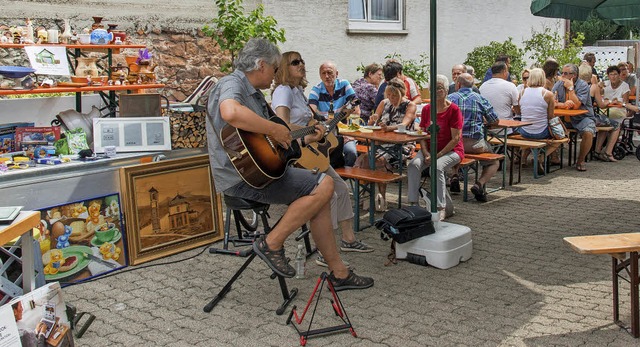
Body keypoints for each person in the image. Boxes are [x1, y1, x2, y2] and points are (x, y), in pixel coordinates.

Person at [206, 38, 373, 290]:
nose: (275, 75)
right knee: (324, 184)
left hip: (259, 170)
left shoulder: (255, 95)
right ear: (261, 65)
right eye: (274, 68)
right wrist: (274, 129)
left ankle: (339, 273)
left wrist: (305, 134)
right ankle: (271, 243)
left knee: (321, 196)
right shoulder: (232, 83)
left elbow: (277, 134)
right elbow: (231, 113)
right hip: (243, 177)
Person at [271, 51, 373, 264]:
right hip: (297, 155)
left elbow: (310, 124)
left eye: (302, 61)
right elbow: (281, 126)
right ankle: (324, 251)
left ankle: (348, 239)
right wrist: (310, 132)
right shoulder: (283, 91)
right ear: (283, 68)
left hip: (310, 153)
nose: (301, 65)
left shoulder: (298, 91)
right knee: (330, 196)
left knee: (342, 189)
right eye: (294, 62)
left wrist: (325, 124)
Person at [407, 74, 463, 221]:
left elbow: (456, 138)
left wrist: (437, 155)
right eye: (434, 88)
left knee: (436, 168)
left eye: (440, 88)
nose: (437, 91)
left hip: (451, 150)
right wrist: (425, 153)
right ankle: (413, 203)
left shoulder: (454, 110)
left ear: (446, 90)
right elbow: (424, 134)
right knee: (414, 164)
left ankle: (440, 207)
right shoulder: (427, 109)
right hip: (429, 149)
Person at [362, 78, 417, 211]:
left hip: (402, 144)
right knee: (365, 158)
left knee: (378, 159)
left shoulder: (410, 105)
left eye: (394, 95)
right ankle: (372, 196)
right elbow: (374, 120)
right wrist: (373, 120)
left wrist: (388, 128)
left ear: (402, 93)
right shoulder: (384, 103)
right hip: (382, 142)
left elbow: (404, 125)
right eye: (389, 95)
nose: (391, 98)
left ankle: (381, 197)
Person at [449, 73, 500, 202]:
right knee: (494, 161)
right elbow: (495, 120)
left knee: (456, 151)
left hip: (453, 143)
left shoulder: (450, 98)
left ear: (458, 84)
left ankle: (454, 175)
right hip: (475, 145)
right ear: (472, 85)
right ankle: (479, 184)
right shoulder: (479, 98)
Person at [309, 61, 361, 167]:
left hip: (345, 132)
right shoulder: (316, 90)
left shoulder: (344, 84)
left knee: (351, 153)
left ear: (336, 74)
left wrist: (349, 132)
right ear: (320, 75)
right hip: (326, 133)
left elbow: (356, 106)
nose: (327, 76)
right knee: (323, 157)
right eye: (323, 73)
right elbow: (311, 111)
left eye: (330, 72)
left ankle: (342, 179)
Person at [552, 63, 596, 172]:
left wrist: (571, 88)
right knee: (548, 126)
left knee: (588, 132)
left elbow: (576, 105)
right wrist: (560, 104)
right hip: (564, 118)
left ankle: (580, 160)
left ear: (574, 75)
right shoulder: (558, 84)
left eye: (566, 73)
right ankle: (553, 156)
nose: (563, 75)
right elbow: (551, 102)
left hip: (582, 117)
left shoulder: (583, 86)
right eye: (562, 73)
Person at [518, 68, 561, 172]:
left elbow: (520, 111)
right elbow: (550, 116)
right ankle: (541, 157)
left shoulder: (522, 92)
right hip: (541, 132)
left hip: (524, 131)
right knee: (561, 138)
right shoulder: (548, 94)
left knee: (532, 135)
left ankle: (524, 158)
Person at [479, 62, 520, 126]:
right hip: (506, 128)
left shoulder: (482, 86)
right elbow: (517, 110)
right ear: (504, 71)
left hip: (487, 128)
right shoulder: (510, 86)